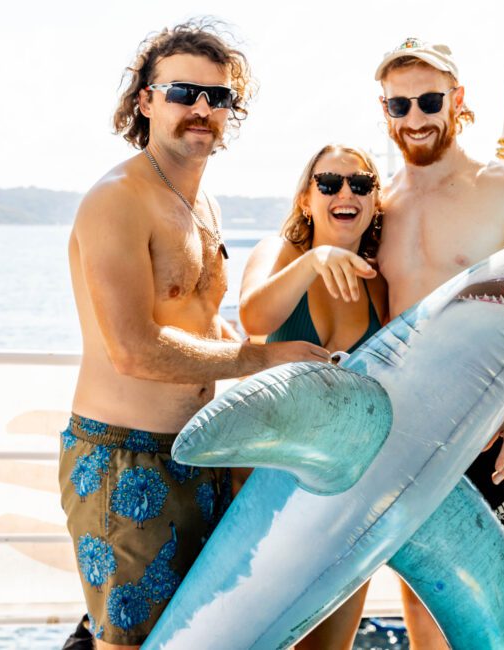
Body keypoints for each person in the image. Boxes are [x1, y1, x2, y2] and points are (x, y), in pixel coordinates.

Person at [60, 19, 328, 650]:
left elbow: (202, 324)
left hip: (203, 451)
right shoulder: (117, 200)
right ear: (146, 101)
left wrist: (294, 372)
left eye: (219, 97)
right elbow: (133, 347)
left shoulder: (201, 204)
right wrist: (259, 357)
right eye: (183, 93)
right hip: (124, 458)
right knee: (131, 644)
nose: (201, 109)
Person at [374, 38, 504, 648]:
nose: (414, 118)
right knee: (420, 590)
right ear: (383, 110)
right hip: (408, 434)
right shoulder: (380, 205)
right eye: (398, 105)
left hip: (487, 430)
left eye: (429, 100)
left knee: (489, 604)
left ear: (457, 100)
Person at [238, 143, 388, 650]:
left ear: (373, 200)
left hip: (344, 499)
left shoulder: (378, 284)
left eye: (360, 184)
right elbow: (254, 318)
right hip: (264, 494)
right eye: (328, 183)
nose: (345, 192)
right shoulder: (280, 255)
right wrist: (317, 260)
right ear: (307, 199)